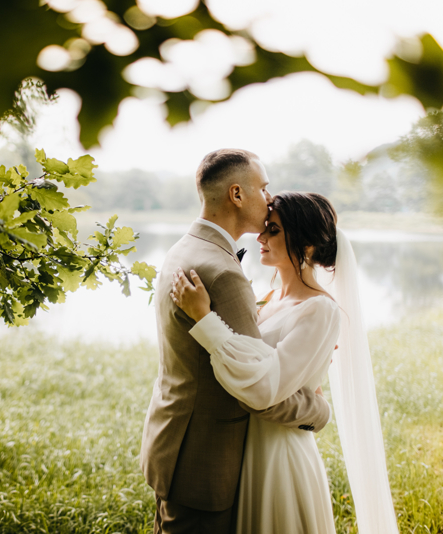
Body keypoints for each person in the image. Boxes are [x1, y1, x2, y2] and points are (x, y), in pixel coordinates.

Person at [170, 191, 399, 533]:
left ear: (307, 246)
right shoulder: (268, 297)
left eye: (273, 230)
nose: (260, 237)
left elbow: (264, 389)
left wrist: (205, 320)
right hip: (247, 447)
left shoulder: (320, 310)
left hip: (279, 455)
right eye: (265, 228)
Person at [139, 149, 333, 534]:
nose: (268, 197)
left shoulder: (184, 249)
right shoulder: (224, 273)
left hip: (177, 444)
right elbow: (257, 387)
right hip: (204, 459)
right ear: (236, 194)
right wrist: (318, 410)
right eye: (262, 187)